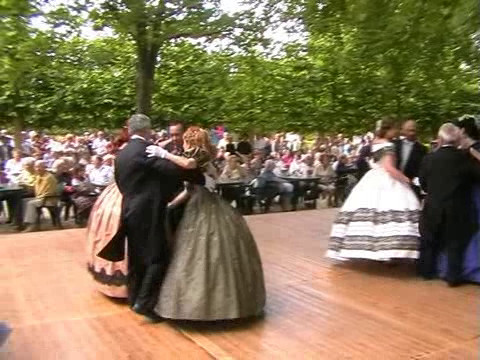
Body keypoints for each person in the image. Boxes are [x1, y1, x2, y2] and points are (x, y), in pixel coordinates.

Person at [146, 126, 266, 321]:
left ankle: (209, 306)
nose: (182, 142)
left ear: (191, 140)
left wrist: (164, 154)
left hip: (205, 208)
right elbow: (190, 190)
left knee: (202, 253)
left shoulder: (199, 154)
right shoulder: (202, 157)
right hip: (198, 204)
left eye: (185, 139)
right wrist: (171, 205)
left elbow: (190, 164)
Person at [97, 115, 201, 320]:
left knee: (136, 258)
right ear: (147, 130)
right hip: (149, 211)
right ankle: (144, 303)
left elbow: (120, 182)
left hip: (129, 208)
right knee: (158, 257)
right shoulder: (146, 150)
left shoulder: (123, 153)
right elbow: (174, 171)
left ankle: (134, 298)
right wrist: (195, 172)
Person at [327, 120, 420, 261]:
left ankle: (365, 247)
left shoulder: (376, 142)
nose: (397, 132)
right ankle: (389, 250)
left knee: (370, 213)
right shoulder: (388, 145)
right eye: (395, 129)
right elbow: (389, 168)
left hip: (372, 177)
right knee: (393, 212)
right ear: (387, 130)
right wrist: (408, 180)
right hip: (387, 180)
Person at [418, 122, 480, 286]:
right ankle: (453, 277)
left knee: (429, 240)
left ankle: (426, 272)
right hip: (457, 208)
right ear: (458, 138)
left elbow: (423, 183)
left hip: (433, 206)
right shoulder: (465, 158)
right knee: (455, 243)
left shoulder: (429, 158)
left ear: (439, 139)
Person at [86, 127, 129, 297]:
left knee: (106, 231)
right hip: (122, 193)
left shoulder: (117, 154)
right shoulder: (124, 154)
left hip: (112, 195)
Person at [394, 120, 427, 198]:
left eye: (414, 130)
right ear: (403, 131)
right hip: (394, 183)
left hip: (411, 187)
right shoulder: (395, 144)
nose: (412, 133)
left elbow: (422, 169)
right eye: (409, 130)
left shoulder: (422, 149)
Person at [23, 160, 59, 232]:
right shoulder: (39, 176)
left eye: (40, 167)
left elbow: (50, 192)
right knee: (24, 201)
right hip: (41, 198)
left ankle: (32, 225)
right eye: (36, 167)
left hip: (49, 199)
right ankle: (27, 223)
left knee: (31, 203)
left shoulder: (49, 177)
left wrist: (39, 197)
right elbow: (35, 188)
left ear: (44, 167)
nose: (37, 169)